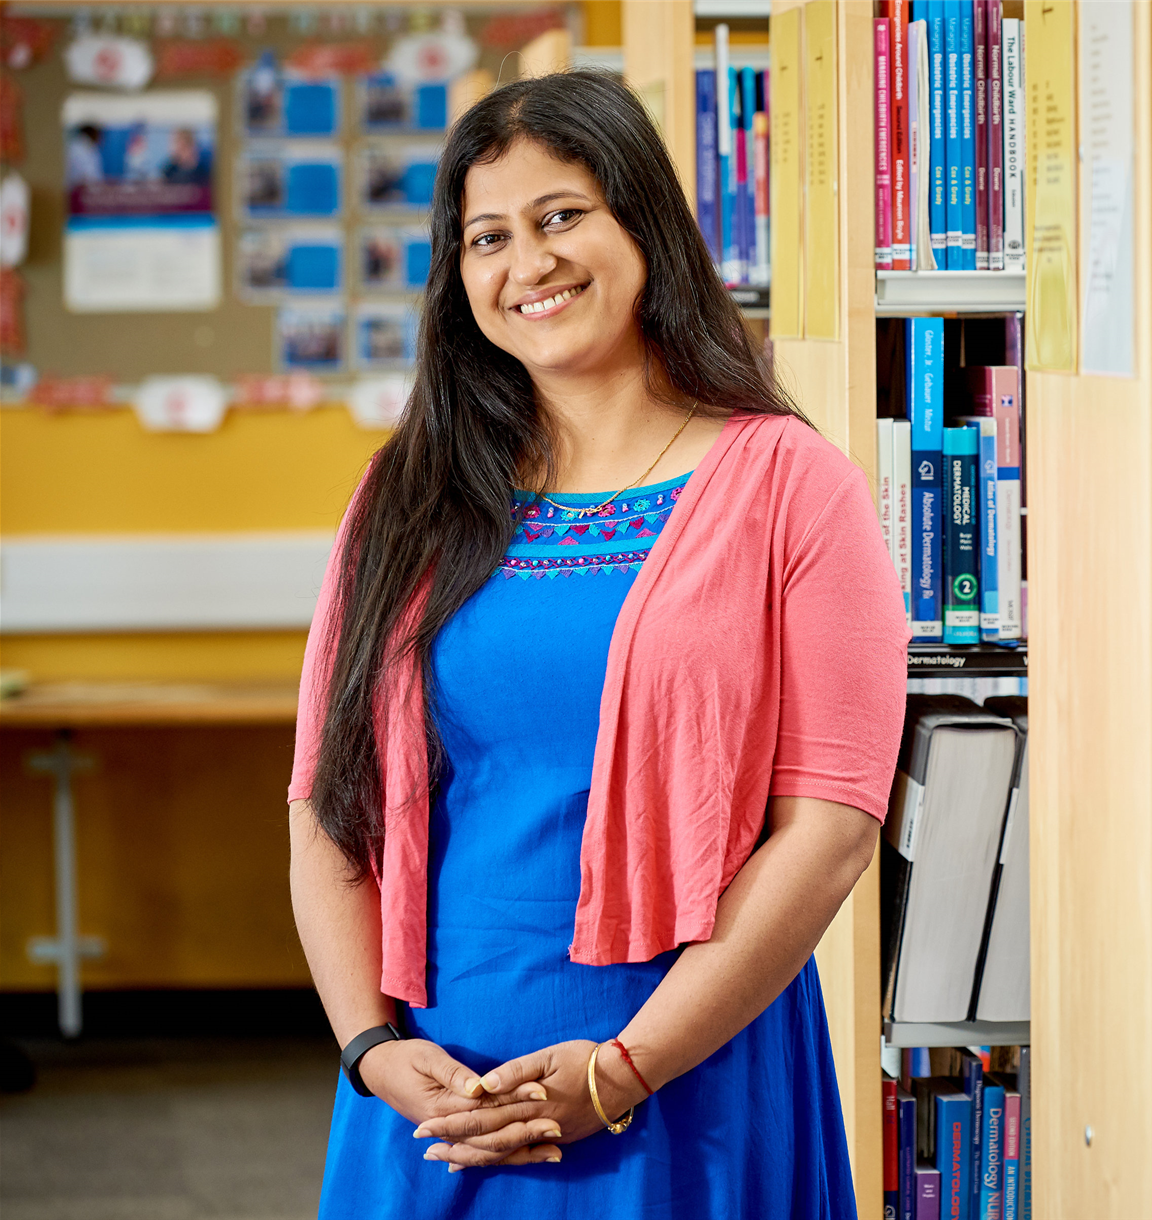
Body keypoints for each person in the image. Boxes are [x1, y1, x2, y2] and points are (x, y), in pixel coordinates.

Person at [289, 71, 908, 1219]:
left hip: (686, 1059)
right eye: (487, 236)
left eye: (561, 215)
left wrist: (619, 1069)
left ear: (645, 222)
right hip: (437, 1082)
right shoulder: (408, 497)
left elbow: (830, 828)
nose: (529, 263)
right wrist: (371, 1047)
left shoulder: (791, 484)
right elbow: (328, 806)